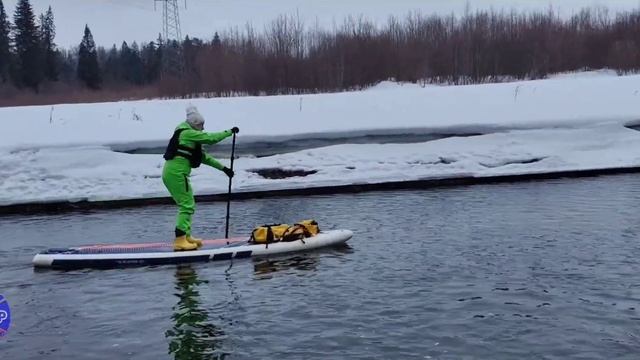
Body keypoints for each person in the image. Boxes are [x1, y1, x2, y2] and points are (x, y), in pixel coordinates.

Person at [163, 105, 239, 251]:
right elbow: (210, 139)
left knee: (188, 203)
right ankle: (180, 241)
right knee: (186, 205)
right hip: (176, 173)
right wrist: (229, 132)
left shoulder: (189, 138)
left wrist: (224, 169)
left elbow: (205, 158)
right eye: (200, 125)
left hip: (175, 173)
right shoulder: (186, 133)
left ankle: (186, 236)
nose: (202, 128)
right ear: (194, 124)